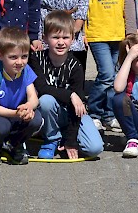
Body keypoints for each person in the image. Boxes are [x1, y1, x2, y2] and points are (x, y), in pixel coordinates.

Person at [81, 0, 133, 130]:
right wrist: (81, 30)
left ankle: (108, 114)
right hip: (96, 33)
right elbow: (82, 1)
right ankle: (93, 111)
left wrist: (131, 30)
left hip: (117, 33)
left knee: (116, 76)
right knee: (107, 74)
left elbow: (129, 2)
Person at [31, 11, 103, 160]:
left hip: (72, 114)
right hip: (48, 111)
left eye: (65, 37)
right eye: (55, 37)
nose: (61, 42)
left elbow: (77, 107)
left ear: (72, 38)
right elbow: (43, 88)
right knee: (46, 100)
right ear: (44, 38)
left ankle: (65, 137)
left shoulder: (76, 66)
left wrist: (71, 141)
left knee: (95, 148)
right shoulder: (37, 59)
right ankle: (52, 139)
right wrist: (71, 95)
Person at [0, 26, 43, 166]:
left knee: (37, 119)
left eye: (24, 56)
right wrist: (16, 113)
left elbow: (33, 97)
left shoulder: (25, 70)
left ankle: (14, 144)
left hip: (14, 114)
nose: (19, 62)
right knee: (2, 126)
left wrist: (28, 107)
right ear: (0, 55)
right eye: (13, 57)